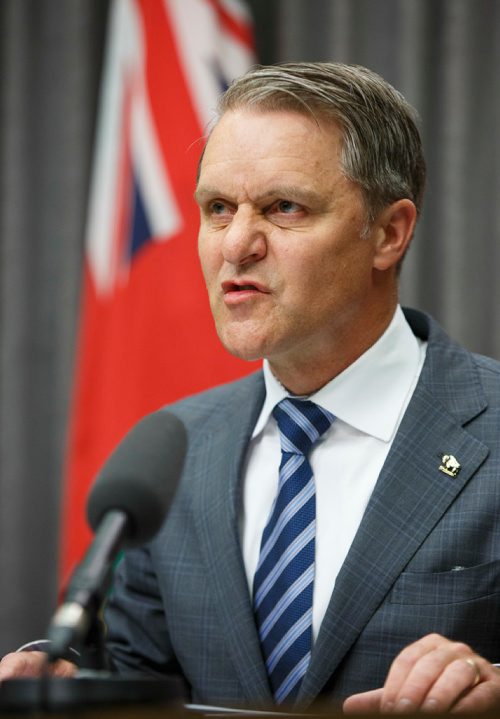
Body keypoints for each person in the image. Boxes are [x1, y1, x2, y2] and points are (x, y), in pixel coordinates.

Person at [2, 61, 500, 713]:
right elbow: (137, 666)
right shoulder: (173, 451)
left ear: (388, 232)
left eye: (283, 207)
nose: (235, 244)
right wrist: (66, 680)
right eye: (217, 208)